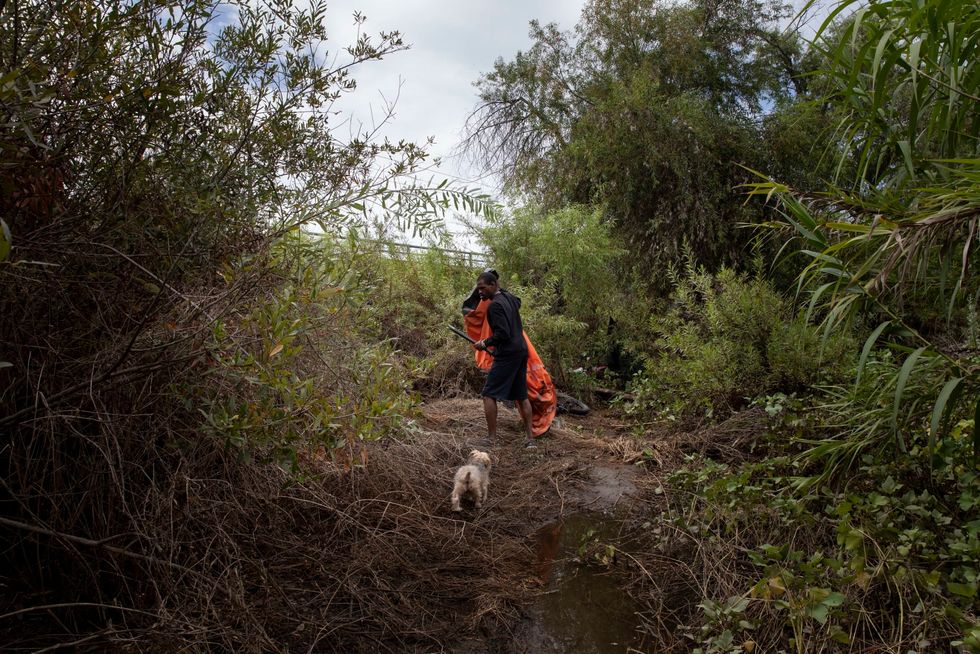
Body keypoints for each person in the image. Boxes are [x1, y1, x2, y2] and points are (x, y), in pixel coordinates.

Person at [471, 271, 535, 445]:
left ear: (493, 285)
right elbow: (518, 301)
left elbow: (503, 334)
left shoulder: (494, 306)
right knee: (521, 395)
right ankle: (530, 438)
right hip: (521, 350)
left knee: (488, 394)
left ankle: (491, 438)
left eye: (483, 288)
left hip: (507, 354)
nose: (480, 292)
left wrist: (484, 343)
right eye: (478, 289)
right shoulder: (509, 298)